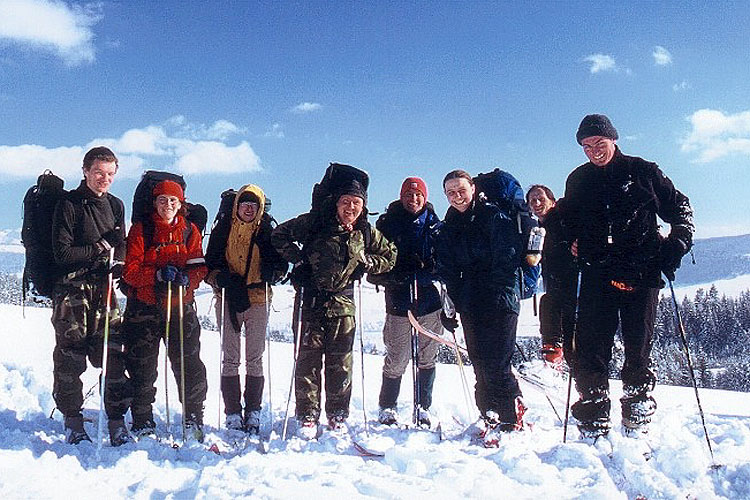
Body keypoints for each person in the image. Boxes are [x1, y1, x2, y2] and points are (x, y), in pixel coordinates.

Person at [562, 114, 694, 438]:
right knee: (591, 346)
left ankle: (637, 411)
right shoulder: (578, 180)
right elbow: (566, 220)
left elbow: (681, 210)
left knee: (638, 346)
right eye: (587, 146)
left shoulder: (643, 171)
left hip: (642, 270)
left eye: (599, 144)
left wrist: (677, 242)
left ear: (614, 139)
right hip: (597, 273)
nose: (594, 151)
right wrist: (571, 242)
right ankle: (593, 413)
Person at [271, 179, 397, 439]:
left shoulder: (365, 232)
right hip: (310, 303)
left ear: (363, 207)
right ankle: (307, 416)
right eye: (346, 202)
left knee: (341, 364)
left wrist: (369, 263)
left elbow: (391, 256)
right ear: (336, 203)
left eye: (356, 203)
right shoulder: (315, 223)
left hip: (344, 306)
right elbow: (279, 235)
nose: (350, 207)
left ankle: (338, 415)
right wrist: (299, 260)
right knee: (308, 362)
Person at [435, 169, 526, 446]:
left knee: (498, 363)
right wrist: (450, 305)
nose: (457, 197)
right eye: (451, 193)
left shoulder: (493, 216)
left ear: (473, 188)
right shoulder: (449, 225)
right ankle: (490, 414)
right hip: (471, 302)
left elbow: (506, 260)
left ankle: (511, 418)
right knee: (479, 363)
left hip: (499, 300)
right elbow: (447, 268)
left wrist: (486, 292)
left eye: (461, 190)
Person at [51, 146, 131, 445]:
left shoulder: (116, 205)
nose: (104, 179)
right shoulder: (69, 204)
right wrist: (100, 247)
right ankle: (72, 420)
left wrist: (120, 263)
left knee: (113, 354)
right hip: (72, 290)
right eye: (99, 172)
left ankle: (116, 420)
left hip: (104, 288)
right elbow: (62, 253)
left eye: (110, 174)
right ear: (85, 171)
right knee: (71, 356)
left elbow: (119, 242)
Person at [121, 179, 208, 441]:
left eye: (173, 200)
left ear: (180, 204)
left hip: (180, 307)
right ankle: (142, 418)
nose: (167, 205)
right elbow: (130, 272)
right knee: (142, 366)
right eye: (162, 200)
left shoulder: (190, 231)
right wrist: (157, 275)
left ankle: (193, 417)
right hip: (144, 308)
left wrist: (188, 280)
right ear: (154, 202)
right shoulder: (141, 230)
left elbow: (198, 266)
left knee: (189, 365)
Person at [204, 185, 287, 434]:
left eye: (253, 205)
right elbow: (210, 264)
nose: (248, 208)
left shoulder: (266, 231)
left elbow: (280, 263)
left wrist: (275, 272)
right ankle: (232, 412)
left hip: (258, 298)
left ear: (260, 207)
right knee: (230, 357)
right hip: (228, 297)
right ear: (237, 205)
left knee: (254, 357)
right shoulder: (223, 229)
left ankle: (253, 410)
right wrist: (219, 279)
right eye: (244, 204)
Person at [367, 177, 443, 427]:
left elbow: (446, 262)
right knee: (397, 356)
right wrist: (395, 273)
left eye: (418, 195)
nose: (413, 200)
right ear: (401, 197)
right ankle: (387, 406)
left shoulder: (434, 225)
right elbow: (373, 266)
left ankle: (424, 407)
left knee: (427, 356)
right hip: (399, 299)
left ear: (425, 197)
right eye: (409, 195)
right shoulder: (387, 225)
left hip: (429, 301)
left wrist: (431, 269)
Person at [526, 185, 577, 371]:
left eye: (541, 199)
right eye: (532, 201)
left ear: (552, 201)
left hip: (575, 288)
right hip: (556, 287)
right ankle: (554, 352)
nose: (537, 203)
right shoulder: (537, 231)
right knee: (548, 302)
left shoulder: (564, 221)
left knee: (550, 304)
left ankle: (555, 352)